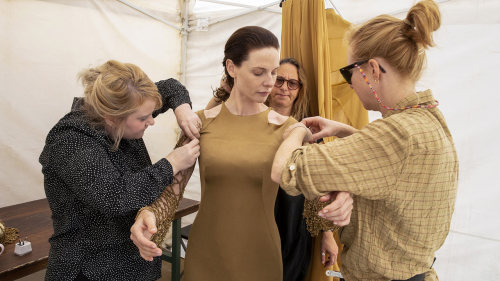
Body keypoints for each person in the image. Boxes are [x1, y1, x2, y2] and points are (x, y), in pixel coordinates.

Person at [130, 26, 352, 281]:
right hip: (206, 252)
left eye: (273, 72)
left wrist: (336, 207)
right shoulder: (201, 123)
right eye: (259, 72)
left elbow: (315, 191)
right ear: (232, 68)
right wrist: (148, 215)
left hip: (260, 254)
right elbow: (173, 189)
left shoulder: (288, 129)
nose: (269, 82)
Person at [271, 1, 458, 281]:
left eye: (349, 72)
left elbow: (286, 169)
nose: (349, 83)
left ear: (372, 69)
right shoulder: (428, 119)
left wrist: (297, 129)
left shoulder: (395, 135)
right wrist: (347, 131)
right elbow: (395, 166)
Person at [39, 60, 200, 281]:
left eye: (152, 113)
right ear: (112, 118)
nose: (151, 121)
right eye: (144, 118)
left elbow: (171, 87)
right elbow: (115, 196)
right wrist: (171, 163)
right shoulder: (71, 141)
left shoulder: (129, 107)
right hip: (91, 267)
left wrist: (183, 111)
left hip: (134, 258)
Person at [208, 57, 349, 281]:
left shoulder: (310, 132)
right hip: (251, 222)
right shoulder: (248, 123)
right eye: (279, 80)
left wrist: (328, 235)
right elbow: (208, 129)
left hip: (293, 224)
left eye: (292, 83)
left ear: (299, 89)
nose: (284, 87)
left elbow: (320, 188)